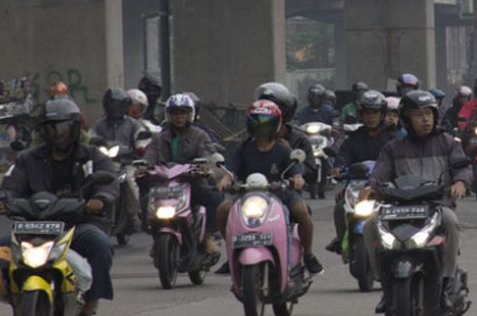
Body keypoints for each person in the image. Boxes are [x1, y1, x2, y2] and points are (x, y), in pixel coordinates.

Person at [0, 98, 117, 316]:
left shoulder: (91, 156)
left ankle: (88, 309)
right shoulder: (28, 158)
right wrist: (3, 199)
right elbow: (12, 184)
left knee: (100, 244)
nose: (58, 133)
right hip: (35, 227)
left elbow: (109, 181)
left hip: (76, 226)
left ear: (75, 128)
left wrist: (101, 199)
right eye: (51, 127)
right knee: (0, 249)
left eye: (63, 127)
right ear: (43, 131)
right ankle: (17, 309)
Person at [367, 90, 471, 314]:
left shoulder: (448, 143)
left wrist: (460, 183)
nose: (425, 119)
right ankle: (384, 284)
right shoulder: (393, 148)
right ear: (406, 119)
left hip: (437, 207)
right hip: (399, 209)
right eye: (418, 115)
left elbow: (462, 167)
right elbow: (380, 174)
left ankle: (447, 282)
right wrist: (370, 188)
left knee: (452, 223)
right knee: (369, 224)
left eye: (429, 114)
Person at [216, 100, 319, 271]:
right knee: (223, 209)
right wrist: (225, 180)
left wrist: (298, 179)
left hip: (280, 193)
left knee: (301, 211)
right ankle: (232, 252)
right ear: (250, 125)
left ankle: (308, 254)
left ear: (276, 125)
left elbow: (296, 171)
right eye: (257, 123)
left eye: (267, 124)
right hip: (248, 194)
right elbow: (231, 170)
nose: (262, 128)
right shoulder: (244, 148)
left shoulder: (283, 149)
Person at [143, 94, 223, 252]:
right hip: (164, 183)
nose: (179, 117)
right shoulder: (159, 138)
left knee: (213, 197)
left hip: (192, 182)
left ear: (190, 114)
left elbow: (208, 154)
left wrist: (205, 166)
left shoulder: (200, 135)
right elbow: (149, 157)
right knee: (145, 197)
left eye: (182, 113)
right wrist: (143, 167)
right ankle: (156, 236)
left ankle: (207, 237)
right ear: (168, 115)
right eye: (175, 113)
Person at [326, 89, 396, 254]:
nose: (370, 116)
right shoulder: (353, 139)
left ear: (382, 113)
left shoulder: (393, 139)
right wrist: (337, 167)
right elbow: (342, 156)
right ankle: (340, 237)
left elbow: (401, 159)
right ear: (360, 114)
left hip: (386, 186)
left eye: (375, 112)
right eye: (366, 112)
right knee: (339, 204)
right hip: (357, 185)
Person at [90, 88, 145, 232]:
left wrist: (140, 148)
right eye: (111, 105)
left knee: (131, 183)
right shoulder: (99, 124)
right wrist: (94, 142)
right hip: (106, 163)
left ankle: (134, 214)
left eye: (118, 105)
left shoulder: (133, 124)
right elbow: (90, 137)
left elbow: (141, 139)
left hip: (127, 162)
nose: (115, 109)